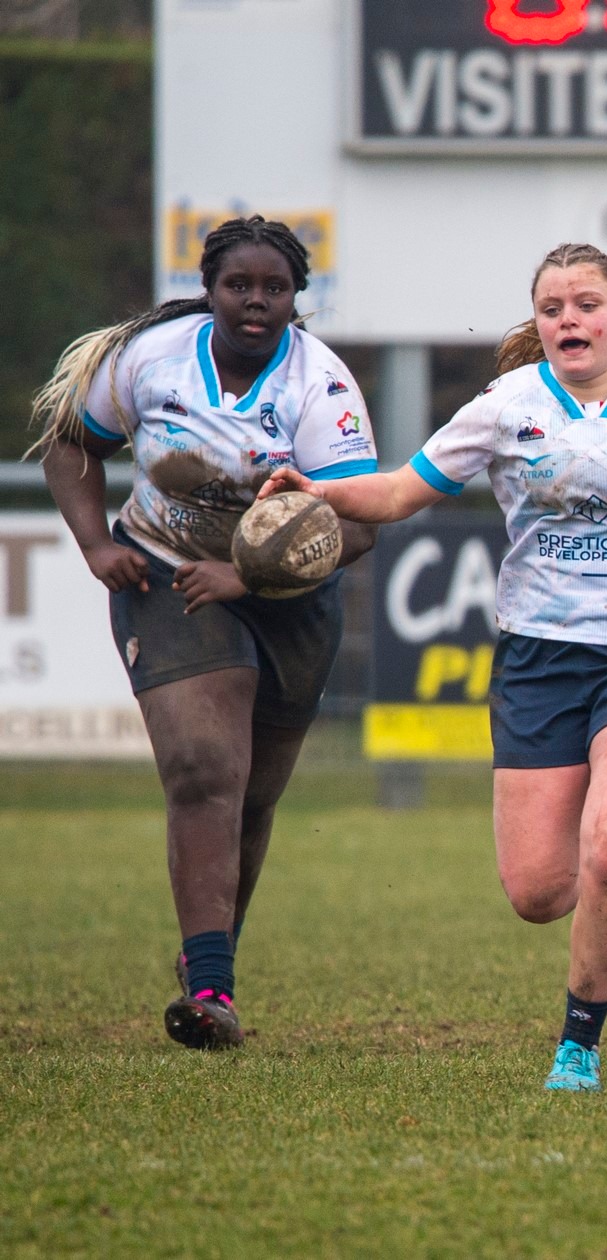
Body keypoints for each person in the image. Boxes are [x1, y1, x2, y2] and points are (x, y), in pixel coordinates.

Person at [259, 242, 607, 1091]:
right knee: (538, 891)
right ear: (539, 324)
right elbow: (404, 492)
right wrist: (319, 489)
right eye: (552, 307)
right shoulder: (509, 404)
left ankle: (578, 1045)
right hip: (539, 657)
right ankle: (602, 872)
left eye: (586, 304)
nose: (568, 319)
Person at [31, 215, 381, 1050]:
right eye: (239, 286)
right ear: (210, 288)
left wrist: (249, 572)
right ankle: (214, 989)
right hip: (166, 577)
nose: (256, 302)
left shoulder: (320, 385)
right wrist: (96, 543)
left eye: (275, 289)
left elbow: (360, 528)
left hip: (292, 599)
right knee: (203, 771)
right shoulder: (152, 358)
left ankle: (207, 959)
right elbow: (69, 443)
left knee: (252, 797)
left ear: (298, 298)